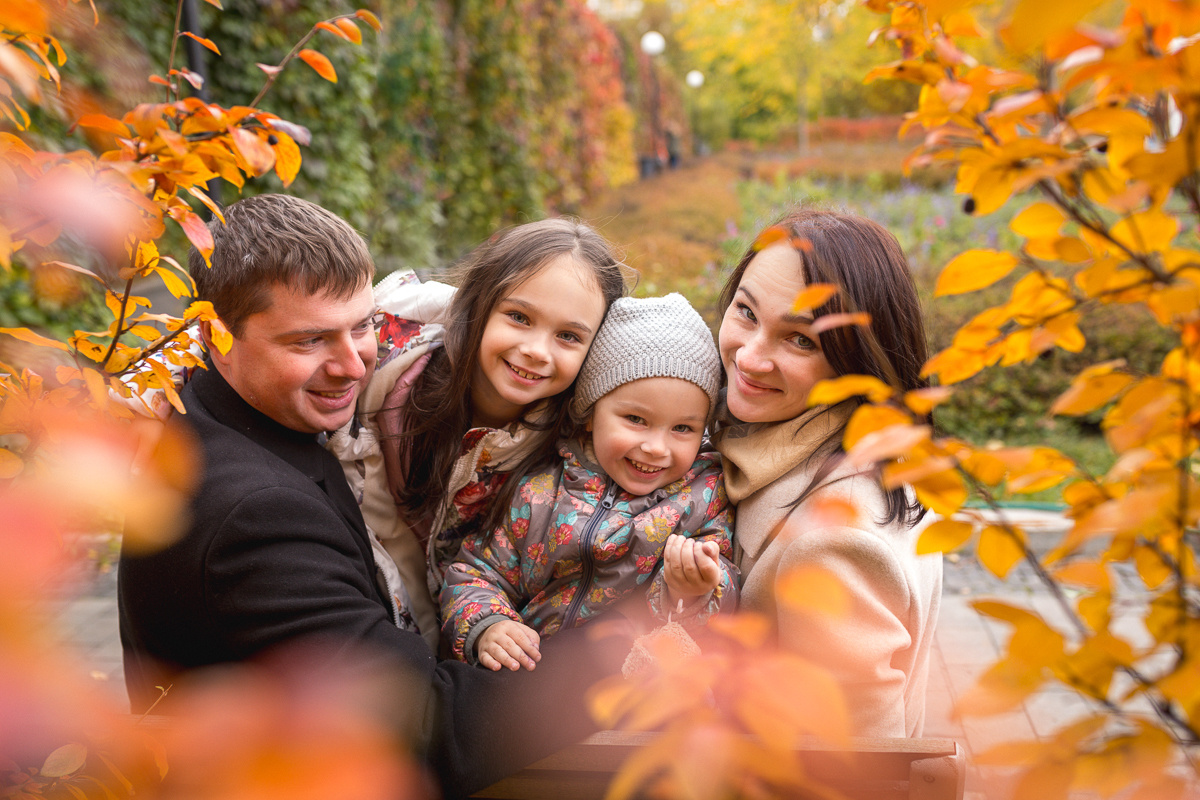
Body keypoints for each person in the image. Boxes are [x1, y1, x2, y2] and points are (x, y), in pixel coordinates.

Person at [117, 194, 633, 798]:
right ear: (217, 335)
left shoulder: (230, 413)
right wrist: (620, 654)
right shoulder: (253, 518)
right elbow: (422, 728)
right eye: (308, 341)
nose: (353, 365)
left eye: (361, 326)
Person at [330, 219, 627, 650]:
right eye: (519, 317)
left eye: (568, 336)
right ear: (480, 305)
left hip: (473, 637)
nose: (536, 350)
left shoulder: (576, 446)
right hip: (366, 605)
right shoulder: (382, 373)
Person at [712, 207, 942, 738]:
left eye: (799, 340)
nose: (749, 356)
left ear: (854, 360)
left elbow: (855, 769)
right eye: (745, 312)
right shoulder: (859, 447)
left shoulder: (834, 541)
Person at [439, 294, 738, 671]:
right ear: (590, 414)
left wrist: (694, 588)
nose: (655, 447)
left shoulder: (703, 498)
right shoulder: (540, 489)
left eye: (683, 428)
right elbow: (476, 572)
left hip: (629, 687)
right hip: (528, 678)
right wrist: (490, 626)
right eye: (635, 419)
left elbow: (726, 596)